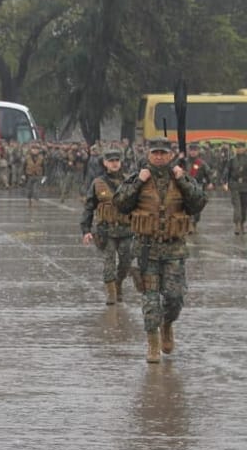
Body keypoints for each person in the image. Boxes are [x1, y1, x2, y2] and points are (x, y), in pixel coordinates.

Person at [113, 139, 207, 363]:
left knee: (174, 298)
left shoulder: (180, 177)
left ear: (170, 155)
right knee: (151, 301)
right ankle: (153, 344)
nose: (158, 157)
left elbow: (199, 203)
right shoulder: (138, 178)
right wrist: (138, 183)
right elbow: (120, 204)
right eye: (154, 153)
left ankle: (167, 324)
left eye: (162, 153)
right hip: (147, 249)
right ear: (148, 154)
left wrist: (182, 178)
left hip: (174, 249)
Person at [80, 148, 134, 305]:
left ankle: (118, 283)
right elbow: (89, 207)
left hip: (126, 229)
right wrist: (86, 230)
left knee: (126, 262)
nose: (114, 164)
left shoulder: (129, 181)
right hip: (106, 230)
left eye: (117, 160)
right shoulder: (98, 183)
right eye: (111, 161)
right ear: (105, 163)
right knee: (109, 261)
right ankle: (111, 294)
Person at [221, 141, 247, 235]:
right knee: (237, 206)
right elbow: (226, 171)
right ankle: (237, 225)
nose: (239, 149)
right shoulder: (232, 160)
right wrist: (224, 182)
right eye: (237, 148)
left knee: (244, 207)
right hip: (234, 185)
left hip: (245, 186)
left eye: (240, 147)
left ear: (244, 149)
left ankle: (243, 224)